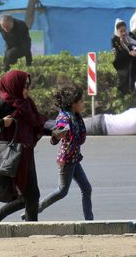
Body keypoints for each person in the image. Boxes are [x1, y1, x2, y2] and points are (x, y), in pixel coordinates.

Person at [0, 70, 48, 222]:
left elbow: (36, 124)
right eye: (24, 86)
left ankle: (2, 218)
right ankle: (9, 220)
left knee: (32, 195)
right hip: (10, 155)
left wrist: (53, 132)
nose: (27, 89)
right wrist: (2, 122)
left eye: (28, 86)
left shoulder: (27, 103)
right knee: (29, 196)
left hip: (26, 154)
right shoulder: (3, 103)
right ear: (14, 86)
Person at [35, 86, 94, 221]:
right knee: (62, 191)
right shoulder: (64, 117)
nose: (83, 103)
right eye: (81, 101)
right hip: (67, 160)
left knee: (86, 188)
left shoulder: (76, 116)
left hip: (74, 159)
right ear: (73, 104)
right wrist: (58, 133)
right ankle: (35, 209)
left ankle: (89, 220)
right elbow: (59, 130)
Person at [111, 18, 136, 95]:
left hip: (130, 58)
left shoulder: (128, 38)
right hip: (121, 62)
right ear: (117, 31)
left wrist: (135, 51)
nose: (124, 33)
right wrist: (129, 53)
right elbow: (119, 53)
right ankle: (128, 90)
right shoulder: (115, 40)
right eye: (121, 31)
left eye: (125, 30)